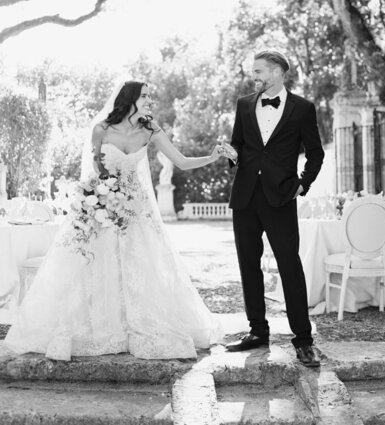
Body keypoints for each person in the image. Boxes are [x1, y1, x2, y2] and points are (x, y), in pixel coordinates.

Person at [5, 80, 224, 361]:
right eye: (144, 96)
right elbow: (96, 168)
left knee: (140, 265)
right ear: (129, 98)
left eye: (150, 96)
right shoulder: (102, 130)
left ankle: (136, 326)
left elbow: (181, 161)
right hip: (102, 208)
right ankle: (103, 327)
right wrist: (97, 197)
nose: (149, 101)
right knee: (98, 265)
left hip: (136, 211)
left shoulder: (150, 131)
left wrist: (213, 157)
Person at [220, 49, 324, 367]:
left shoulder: (303, 108)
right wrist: (231, 153)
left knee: (289, 266)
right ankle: (257, 332)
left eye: (260, 71)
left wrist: (302, 184)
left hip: (281, 198)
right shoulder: (244, 104)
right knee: (248, 266)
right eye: (254, 72)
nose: (255, 77)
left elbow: (316, 153)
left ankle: (303, 341)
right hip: (245, 197)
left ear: (278, 71)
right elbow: (239, 143)